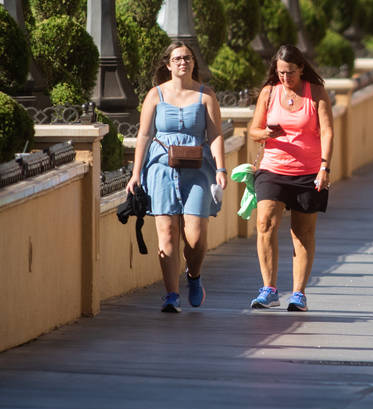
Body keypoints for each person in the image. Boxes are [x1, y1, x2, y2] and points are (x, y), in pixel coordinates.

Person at [127, 42, 227, 313]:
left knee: (195, 238)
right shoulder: (155, 95)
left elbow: (215, 134)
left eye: (188, 58)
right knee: (167, 234)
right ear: (168, 64)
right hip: (161, 168)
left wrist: (220, 169)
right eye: (178, 58)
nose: (183, 62)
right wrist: (135, 173)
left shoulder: (206, 96)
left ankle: (193, 276)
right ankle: (171, 294)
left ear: (194, 63)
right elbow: (144, 136)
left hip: (198, 169)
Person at [247, 45, 334, 311]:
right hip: (273, 168)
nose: (285, 78)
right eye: (281, 72)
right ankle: (269, 289)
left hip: (308, 172)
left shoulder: (315, 93)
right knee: (265, 223)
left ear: (302, 68)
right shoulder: (269, 92)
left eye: (291, 72)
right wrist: (266, 134)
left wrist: (324, 167)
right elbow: (253, 130)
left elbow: (328, 132)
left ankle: (298, 293)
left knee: (302, 233)